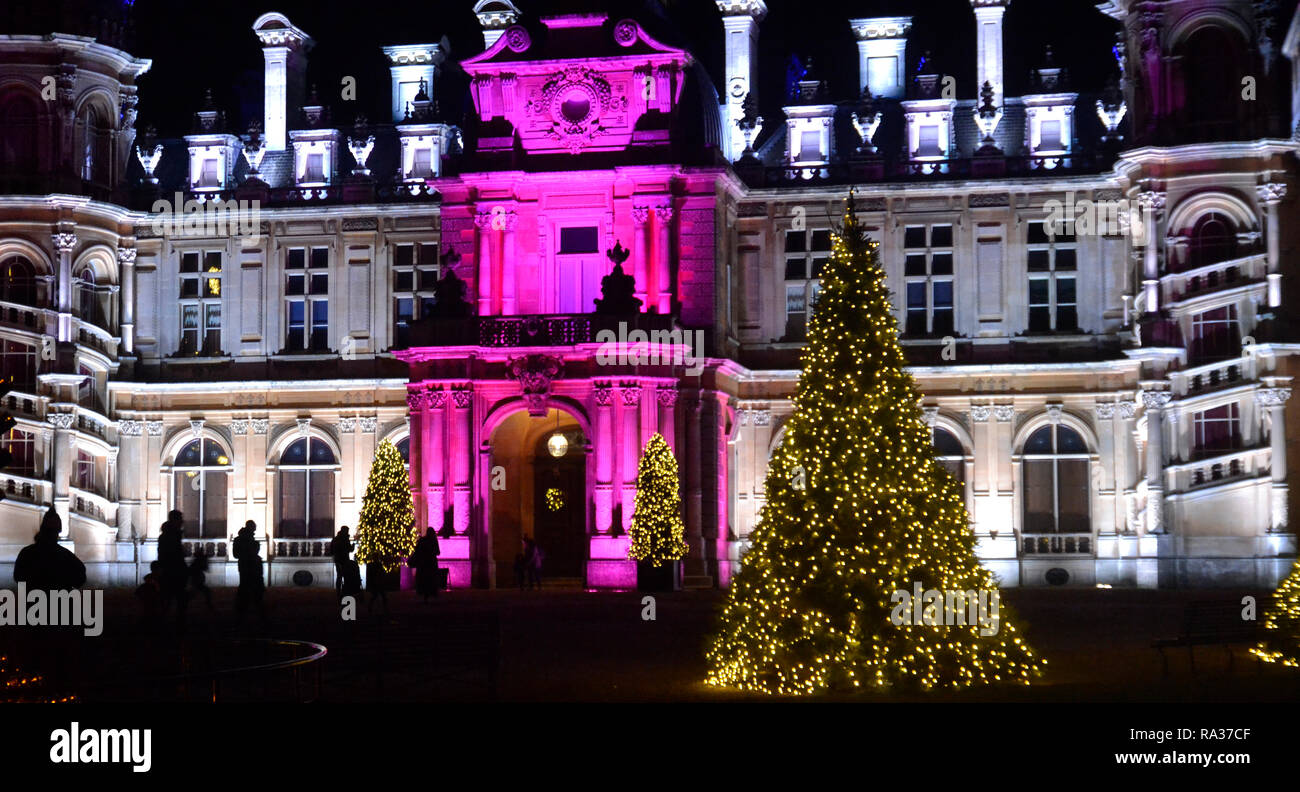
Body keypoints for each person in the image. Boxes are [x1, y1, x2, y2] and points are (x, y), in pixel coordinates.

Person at [13, 508, 86, 591]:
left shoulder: (27, 552)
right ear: (58, 532)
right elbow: (80, 579)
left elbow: (18, 577)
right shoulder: (65, 555)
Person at [156, 510, 189, 619]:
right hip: (173, 571)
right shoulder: (172, 535)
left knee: (171, 599)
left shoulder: (170, 534)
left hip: (171, 569)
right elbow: (172, 553)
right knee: (175, 598)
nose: (182, 521)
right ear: (175, 520)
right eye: (180, 519)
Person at [232, 520, 266, 624]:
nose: (255, 528)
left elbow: (236, 554)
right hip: (249, 567)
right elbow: (237, 554)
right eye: (254, 527)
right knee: (251, 590)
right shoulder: (248, 540)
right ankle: (250, 612)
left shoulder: (241, 539)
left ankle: (243, 612)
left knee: (245, 589)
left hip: (245, 567)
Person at [409, 528, 441, 603]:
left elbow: (417, 550)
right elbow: (438, 552)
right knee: (430, 580)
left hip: (423, 564)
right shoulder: (433, 541)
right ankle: (429, 595)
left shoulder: (422, 540)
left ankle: (425, 596)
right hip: (431, 564)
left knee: (424, 580)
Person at [330, 526, 353, 600]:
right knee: (346, 576)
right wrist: (353, 546)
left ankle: (338, 592)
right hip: (345, 560)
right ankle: (345, 591)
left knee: (339, 576)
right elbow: (349, 549)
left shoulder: (336, 539)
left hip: (338, 560)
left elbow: (331, 550)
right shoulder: (345, 539)